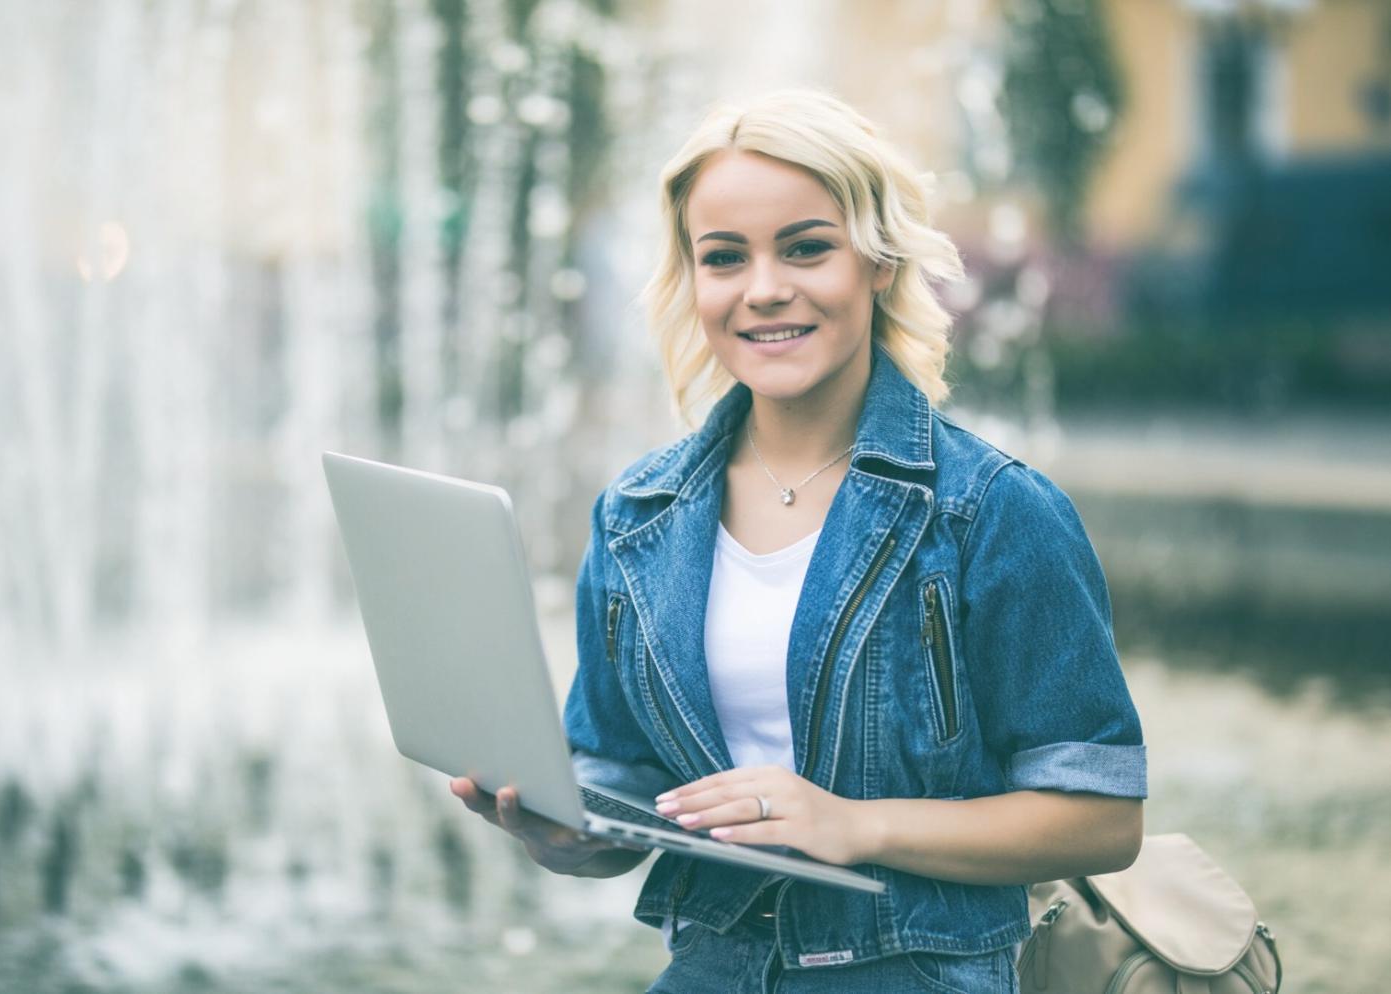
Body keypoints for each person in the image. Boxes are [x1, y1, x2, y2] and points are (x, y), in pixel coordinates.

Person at [451, 88, 1147, 993]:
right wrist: (566, 833)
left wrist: (855, 823)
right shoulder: (636, 514)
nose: (764, 288)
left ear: (879, 263)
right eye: (724, 257)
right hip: (711, 967)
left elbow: (1102, 821)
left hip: (914, 973)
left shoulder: (990, 510)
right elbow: (616, 777)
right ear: (692, 281)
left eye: (808, 248)